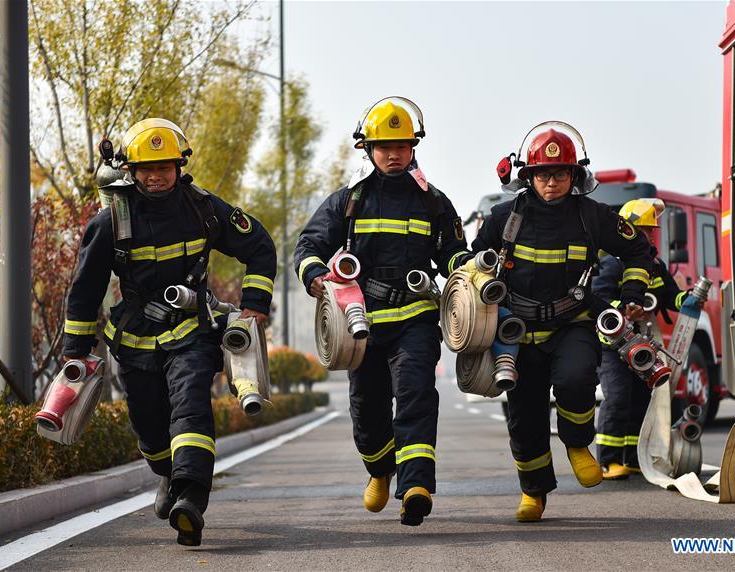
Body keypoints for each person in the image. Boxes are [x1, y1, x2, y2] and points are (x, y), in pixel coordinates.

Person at [62, 118, 276, 546]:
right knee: (149, 425)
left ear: (179, 166)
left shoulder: (203, 209)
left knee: (191, 405)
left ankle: (191, 499)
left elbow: (259, 246)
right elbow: (85, 291)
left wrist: (254, 305)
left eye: (164, 168)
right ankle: (167, 474)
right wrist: (75, 350)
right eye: (146, 169)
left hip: (193, 331)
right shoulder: (110, 223)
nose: (156, 177)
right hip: (135, 339)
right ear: (130, 171)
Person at [293, 97, 472, 526]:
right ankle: (379, 470)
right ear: (368, 149)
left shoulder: (434, 202)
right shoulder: (348, 200)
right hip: (362, 324)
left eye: (402, 146)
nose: (394, 155)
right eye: (385, 147)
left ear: (414, 148)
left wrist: (470, 271)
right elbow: (308, 245)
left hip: (414, 318)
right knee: (367, 411)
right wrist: (315, 275)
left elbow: (452, 253)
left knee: (415, 394)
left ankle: (416, 487)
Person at [472, 122, 652, 521]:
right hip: (517, 332)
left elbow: (640, 251)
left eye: (560, 174)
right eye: (543, 175)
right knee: (525, 417)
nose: (551, 183)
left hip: (573, 323)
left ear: (575, 175)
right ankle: (533, 493)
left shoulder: (594, 216)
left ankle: (577, 444)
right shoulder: (503, 218)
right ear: (528, 176)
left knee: (576, 379)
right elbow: (473, 264)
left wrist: (631, 297)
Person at [593, 198, 690, 479]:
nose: (651, 236)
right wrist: (623, 310)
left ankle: (634, 458)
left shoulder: (654, 264)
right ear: (628, 230)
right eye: (645, 230)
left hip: (642, 345)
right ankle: (608, 461)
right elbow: (598, 298)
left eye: (652, 230)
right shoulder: (611, 264)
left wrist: (689, 299)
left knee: (639, 400)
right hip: (612, 346)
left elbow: (670, 296)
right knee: (618, 398)